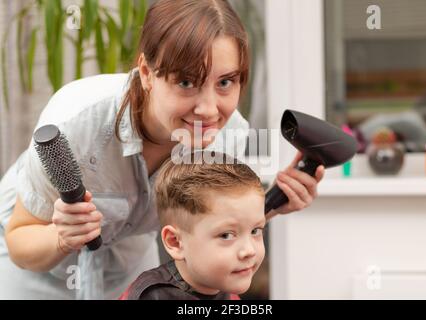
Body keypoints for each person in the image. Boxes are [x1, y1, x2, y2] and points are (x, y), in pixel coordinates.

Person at [0, 0, 324, 299]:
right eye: (186, 82)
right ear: (146, 73)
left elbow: (204, 225)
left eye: (225, 82)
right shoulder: (76, 123)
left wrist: (271, 203)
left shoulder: (228, 137)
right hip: (39, 267)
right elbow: (20, 240)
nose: (209, 110)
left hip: (126, 263)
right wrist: (61, 237)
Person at [121, 151, 265, 300]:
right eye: (226, 235)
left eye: (255, 231)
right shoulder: (151, 297)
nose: (249, 250)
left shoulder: (226, 290)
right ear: (175, 242)